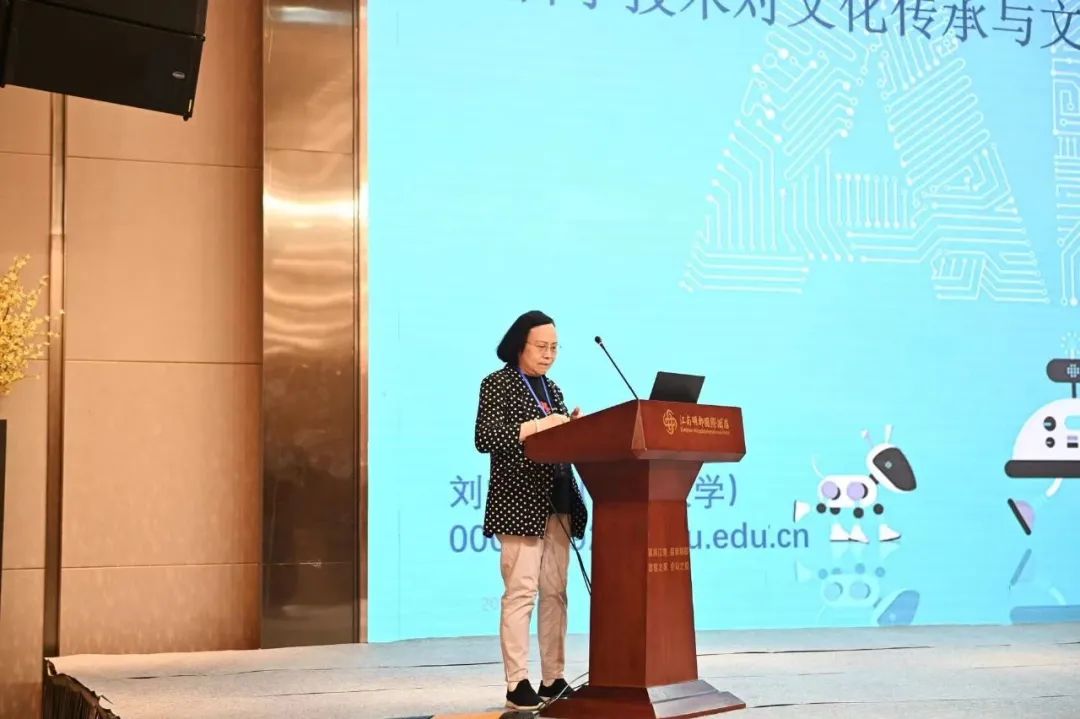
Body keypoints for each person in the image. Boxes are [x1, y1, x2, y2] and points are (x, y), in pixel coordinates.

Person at [474, 310, 589, 710]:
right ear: (519, 345)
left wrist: (573, 428)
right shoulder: (498, 383)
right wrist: (540, 426)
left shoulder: (552, 388)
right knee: (521, 591)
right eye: (541, 347)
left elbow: (560, 438)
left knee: (555, 593)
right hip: (519, 502)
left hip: (558, 500)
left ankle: (553, 678)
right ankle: (516, 682)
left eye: (554, 347)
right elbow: (486, 437)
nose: (548, 354)